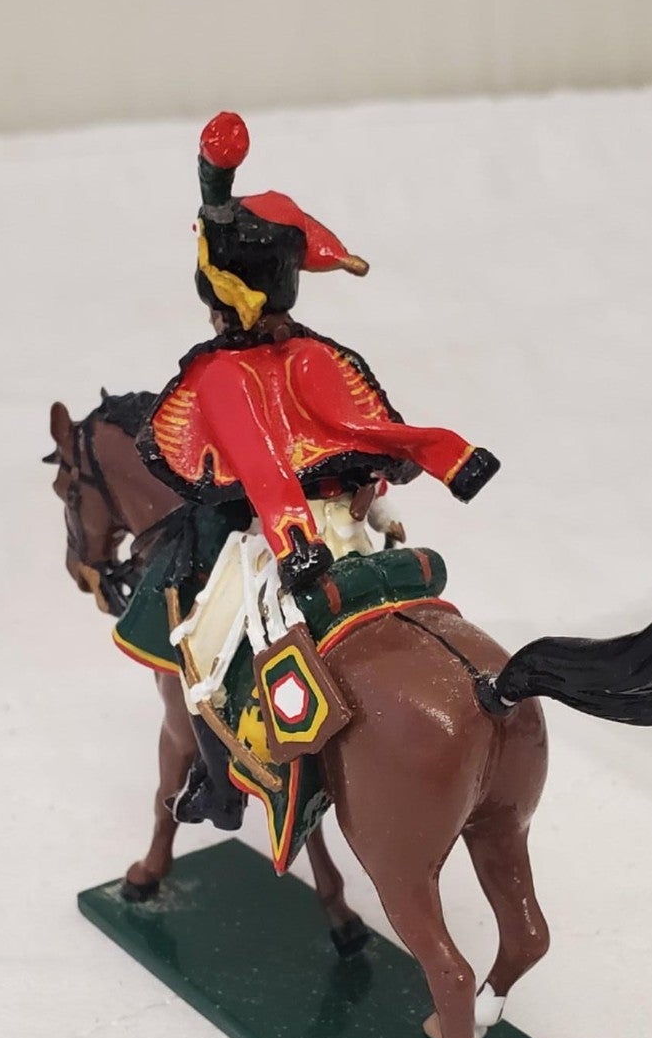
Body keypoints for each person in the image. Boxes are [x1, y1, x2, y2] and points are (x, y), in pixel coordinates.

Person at [135, 111, 501, 828]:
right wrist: (417, 459)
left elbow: (260, 465)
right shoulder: (316, 355)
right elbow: (367, 430)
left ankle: (224, 784)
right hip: (357, 528)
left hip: (287, 541)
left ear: (221, 295)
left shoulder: (220, 375)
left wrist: (291, 535)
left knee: (199, 646)